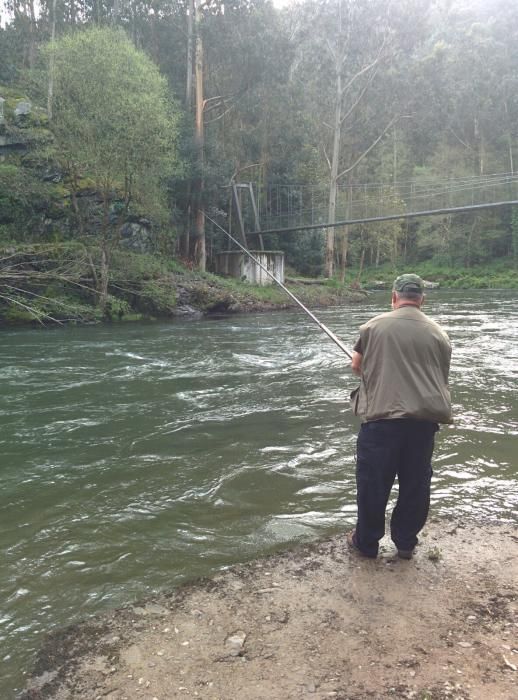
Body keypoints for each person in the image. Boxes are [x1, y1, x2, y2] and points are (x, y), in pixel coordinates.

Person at [347, 273, 452, 559]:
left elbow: (357, 366)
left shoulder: (373, 326)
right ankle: (405, 542)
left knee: (373, 483)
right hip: (423, 424)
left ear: (393, 297)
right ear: (422, 299)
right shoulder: (439, 334)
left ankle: (366, 544)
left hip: (381, 421)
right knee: (415, 484)